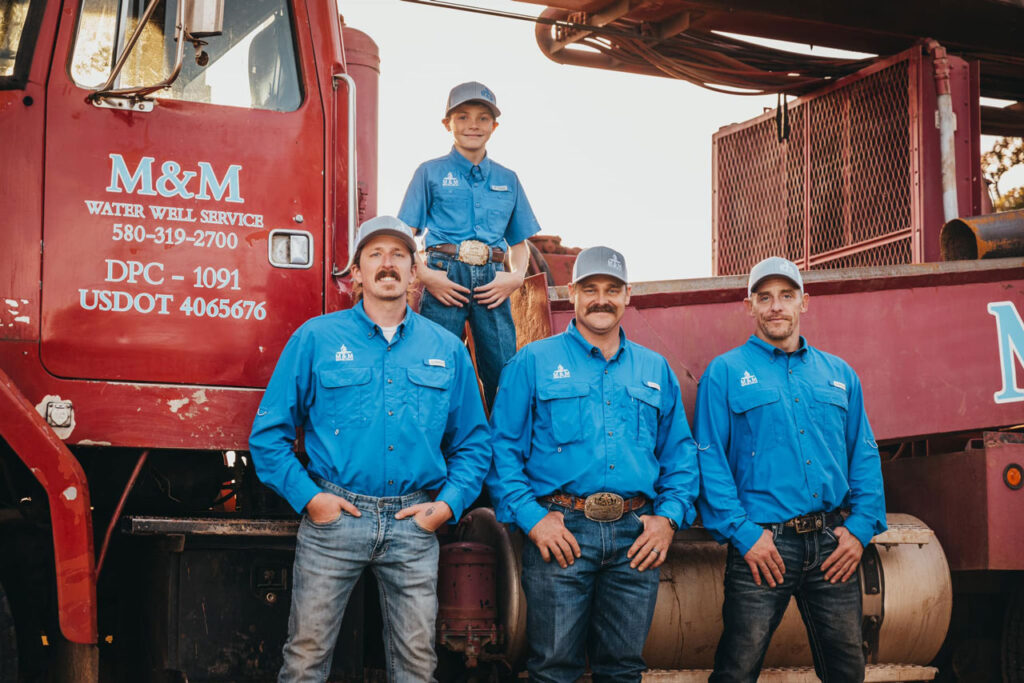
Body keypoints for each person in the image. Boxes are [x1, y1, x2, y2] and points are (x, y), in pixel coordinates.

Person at [249, 216, 491, 683]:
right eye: (375, 254)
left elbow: (473, 443)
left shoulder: (446, 348)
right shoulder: (316, 339)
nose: (388, 264)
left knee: (417, 666)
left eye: (399, 254)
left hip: (414, 524)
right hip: (335, 519)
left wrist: (447, 506)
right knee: (304, 660)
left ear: (414, 272)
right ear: (356, 273)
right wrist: (311, 500)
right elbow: (268, 436)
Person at [487, 246, 699, 683]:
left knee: (622, 670)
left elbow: (680, 455)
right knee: (553, 670)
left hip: (636, 535)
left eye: (611, 289)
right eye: (590, 289)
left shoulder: (654, 368)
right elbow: (501, 452)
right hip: (562, 531)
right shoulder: (533, 362)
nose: (601, 299)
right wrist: (534, 521)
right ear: (572, 293)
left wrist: (668, 521)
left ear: (627, 295)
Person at [695, 256, 887, 683]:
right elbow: (709, 459)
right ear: (750, 306)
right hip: (763, 547)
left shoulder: (839, 374)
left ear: (805, 303)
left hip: (831, 545)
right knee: (737, 669)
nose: (776, 306)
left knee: (847, 670)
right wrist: (745, 535)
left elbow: (865, 454)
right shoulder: (724, 373)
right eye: (765, 298)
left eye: (786, 296)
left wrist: (859, 530)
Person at [398, 81, 541, 409]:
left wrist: (516, 277)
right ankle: (435, 452)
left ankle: (501, 455)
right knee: (434, 368)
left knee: (504, 371)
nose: (473, 125)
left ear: (494, 126)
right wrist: (424, 275)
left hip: (493, 282)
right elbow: (405, 234)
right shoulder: (429, 173)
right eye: (462, 117)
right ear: (447, 124)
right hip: (443, 278)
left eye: (482, 118)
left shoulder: (509, 179)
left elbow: (520, 244)